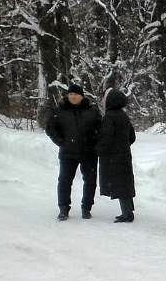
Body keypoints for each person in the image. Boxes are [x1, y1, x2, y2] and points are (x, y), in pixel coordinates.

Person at [44, 82, 101, 221]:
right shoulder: (60, 110)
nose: (73, 96)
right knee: (64, 180)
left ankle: (86, 208)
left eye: (75, 94)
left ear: (81, 96)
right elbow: (50, 128)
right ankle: (63, 208)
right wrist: (61, 142)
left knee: (90, 180)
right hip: (68, 153)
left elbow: (101, 128)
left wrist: (95, 142)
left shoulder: (92, 110)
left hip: (89, 152)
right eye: (70, 94)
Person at [96, 88, 137, 223]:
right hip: (124, 155)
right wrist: (123, 145)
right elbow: (132, 136)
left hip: (113, 157)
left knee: (119, 185)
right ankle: (129, 211)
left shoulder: (109, 117)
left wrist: (98, 150)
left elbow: (106, 138)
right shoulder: (123, 115)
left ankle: (127, 214)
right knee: (125, 184)